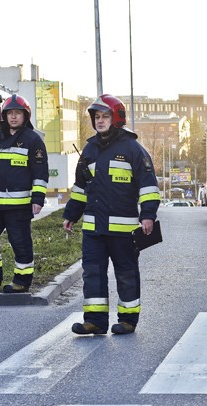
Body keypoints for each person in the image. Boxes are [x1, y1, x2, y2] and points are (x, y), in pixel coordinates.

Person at [63, 95, 161, 335]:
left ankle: (127, 320)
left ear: (116, 118)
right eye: (97, 117)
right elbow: (80, 187)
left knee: (126, 274)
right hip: (93, 229)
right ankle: (95, 321)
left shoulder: (133, 149)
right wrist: (71, 214)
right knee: (92, 273)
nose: (100, 121)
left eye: (105, 116)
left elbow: (148, 186)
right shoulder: (89, 149)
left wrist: (147, 215)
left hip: (124, 230)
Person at [0, 95, 49, 293]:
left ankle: (21, 281)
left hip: (20, 204)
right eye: (10, 113)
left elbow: (40, 173)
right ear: (4, 115)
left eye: (17, 113)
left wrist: (37, 199)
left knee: (20, 243)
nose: (13, 117)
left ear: (25, 115)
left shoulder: (33, 139)